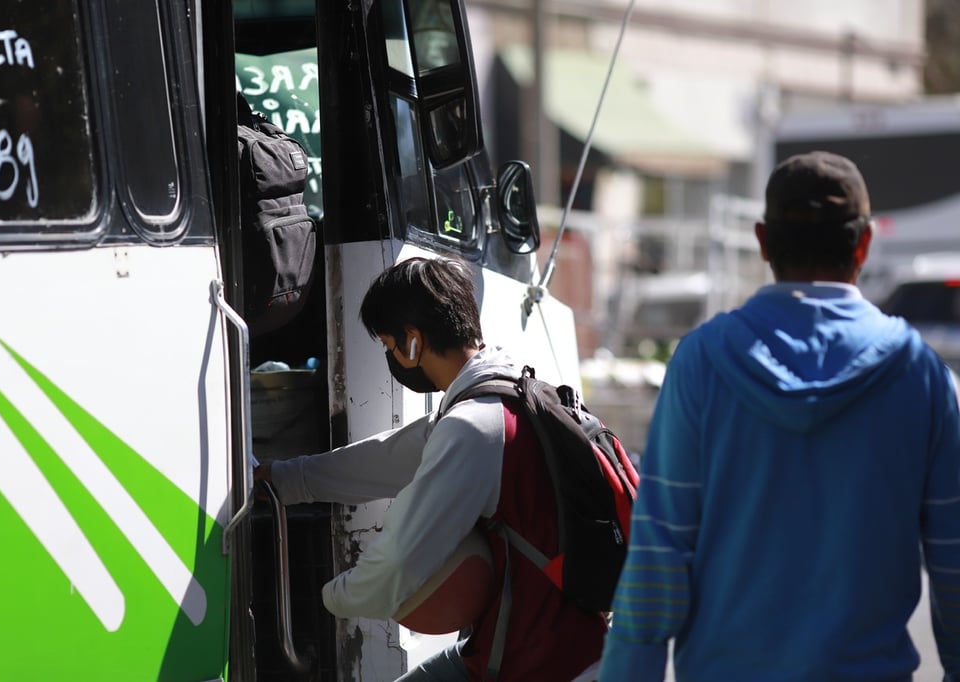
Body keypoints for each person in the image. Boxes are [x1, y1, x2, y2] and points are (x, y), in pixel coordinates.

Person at [598, 151, 960, 681]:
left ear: (763, 242)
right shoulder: (922, 377)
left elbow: (660, 557)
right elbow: (953, 565)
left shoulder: (702, 363)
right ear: (863, 243)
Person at [255, 256, 605, 681]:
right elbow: (385, 459)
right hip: (542, 645)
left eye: (389, 345)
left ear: (413, 342)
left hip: (547, 665)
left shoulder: (473, 426)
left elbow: (398, 565)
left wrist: (326, 597)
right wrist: (283, 479)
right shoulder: (503, 393)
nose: (391, 356)